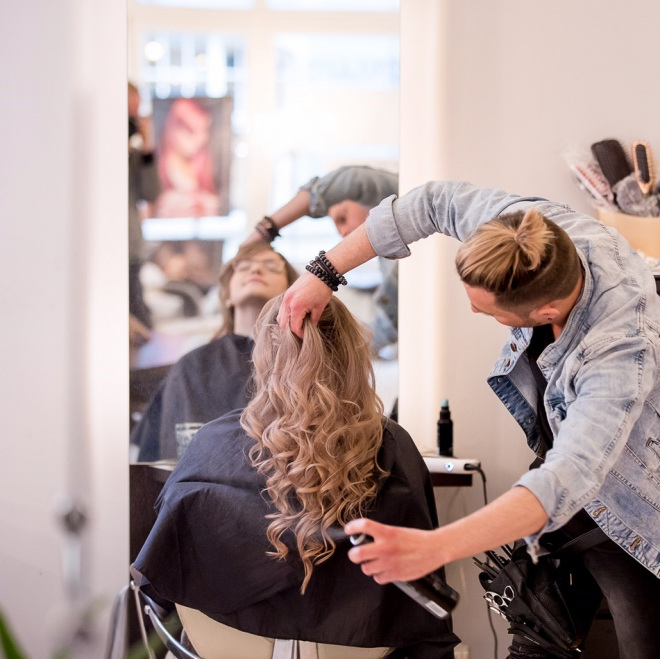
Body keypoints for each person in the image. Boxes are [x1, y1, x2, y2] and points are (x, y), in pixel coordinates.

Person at [278, 180, 660, 658]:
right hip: (564, 466)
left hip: (638, 502)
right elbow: (429, 203)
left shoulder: (620, 355)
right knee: (537, 620)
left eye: (487, 313)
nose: (472, 309)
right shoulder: (532, 232)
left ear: (544, 312)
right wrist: (323, 272)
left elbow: (567, 477)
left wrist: (435, 547)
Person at [132, 294, 459, 657]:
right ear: (352, 355)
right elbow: (421, 579)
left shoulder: (212, 441)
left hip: (229, 645)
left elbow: (165, 574)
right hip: (355, 645)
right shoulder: (393, 446)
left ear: (264, 355)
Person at [131, 242, 298, 462]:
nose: (256, 270)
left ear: (291, 291)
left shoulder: (301, 360)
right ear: (227, 294)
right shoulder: (193, 364)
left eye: (271, 266)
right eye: (243, 266)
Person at [245, 165, 399, 353]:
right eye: (243, 267)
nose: (343, 232)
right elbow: (388, 325)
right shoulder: (392, 254)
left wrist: (267, 229)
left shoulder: (402, 197)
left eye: (342, 218)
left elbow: (354, 180)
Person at [155, 97, 221, 218]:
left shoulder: (207, 164)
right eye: (192, 132)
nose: (200, 139)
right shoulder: (159, 167)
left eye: (203, 131)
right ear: (174, 129)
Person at [128, 82, 160, 330]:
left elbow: (150, 193)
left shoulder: (136, 156)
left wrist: (146, 147)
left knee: (140, 318)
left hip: (130, 246)